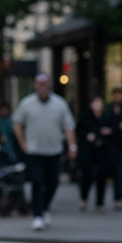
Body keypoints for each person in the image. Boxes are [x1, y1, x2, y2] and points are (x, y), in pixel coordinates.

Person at [12, 74, 76, 232]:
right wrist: (23, 145)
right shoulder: (27, 103)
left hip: (54, 151)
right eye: (39, 84)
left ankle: (44, 208)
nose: (42, 87)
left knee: (53, 183)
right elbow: (17, 125)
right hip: (34, 152)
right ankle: (38, 215)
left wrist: (72, 146)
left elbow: (68, 127)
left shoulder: (60, 104)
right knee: (37, 182)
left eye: (45, 84)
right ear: (35, 85)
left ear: (50, 85)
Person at [76, 96, 114, 213]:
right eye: (95, 103)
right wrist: (87, 136)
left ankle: (100, 203)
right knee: (87, 174)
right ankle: (83, 197)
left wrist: (108, 132)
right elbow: (78, 131)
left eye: (99, 103)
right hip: (88, 150)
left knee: (101, 175)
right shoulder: (85, 117)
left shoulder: (106, 117)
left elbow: (114, 132)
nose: (97, 106)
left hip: (102, 150)